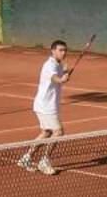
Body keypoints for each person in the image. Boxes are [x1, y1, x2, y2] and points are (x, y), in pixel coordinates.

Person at [16, 40, 69, 175]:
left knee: (46, 132)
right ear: (53, 51)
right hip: (46, 106)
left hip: (44, 104)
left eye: (65, 50)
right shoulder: (49, 65)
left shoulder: (58, 64)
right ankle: (44, 161)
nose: (63, 52)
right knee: (58, 132)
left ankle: (26, 158)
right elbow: (55, 79)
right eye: (60, 50)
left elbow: (58, 77)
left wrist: (64, 71)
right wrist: (63, 77)